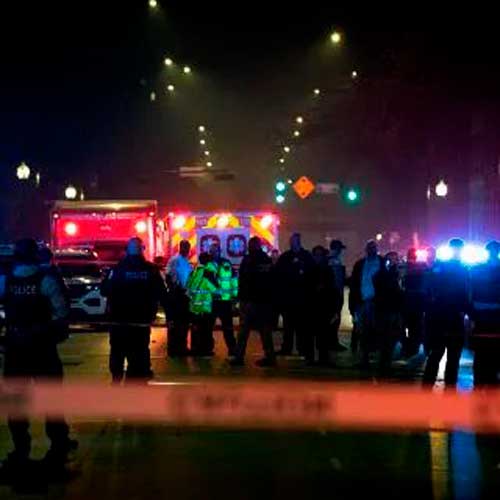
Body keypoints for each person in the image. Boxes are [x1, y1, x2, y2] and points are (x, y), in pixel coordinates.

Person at [0, 239, 77, 476]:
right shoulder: (46, 280)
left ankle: (20, 451)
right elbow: (61, 312)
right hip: (42, 348)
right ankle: (58, 448)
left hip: (15, 349)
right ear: (36, 256)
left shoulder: (6, 281)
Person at [101, 237, 169, 384]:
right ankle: (136, 380)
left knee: (117, 350)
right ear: (142, 250)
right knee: (139, 351)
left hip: (119, 320)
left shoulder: (117, 269)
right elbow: (162, 293)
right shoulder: (151, 270)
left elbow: (104, 290)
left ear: (127, 251)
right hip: (141, 321)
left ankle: (116, 379)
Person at [422, 238, 470, 389]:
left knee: (438, 355)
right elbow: (467, 294)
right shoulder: (463, 269)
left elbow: (429, 289)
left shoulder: (441, 266)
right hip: (451, 317)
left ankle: (428, 388)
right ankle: (448, 388)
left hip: (442, 317)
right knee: (450, 357)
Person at [231, 237, 276, 367]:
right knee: (265, 331)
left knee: (244, 331)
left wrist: (239, 298)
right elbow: (271, 281)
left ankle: (239, 357)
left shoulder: (248, 260)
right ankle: (270, 357)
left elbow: (243, 281)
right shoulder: (266, 260)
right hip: (263, 301)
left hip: (249, 300)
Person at [275, 233, 315, 356]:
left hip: (301, 298)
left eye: (294, 241)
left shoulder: (305, 256)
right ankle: (288, 348)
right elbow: (278, 274)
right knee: (289, 326)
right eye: (291, 241)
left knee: (300, 326)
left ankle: (300, 348)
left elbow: (311, 275)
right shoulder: (287, 257)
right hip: (290, 298)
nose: (292, 243)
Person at [348, 240, 385, 367]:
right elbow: (354, 285)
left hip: (376, 302)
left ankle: (372, 358)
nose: (371, 250)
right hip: (363, 302)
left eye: (373, 248)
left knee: (375, 331)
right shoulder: (360, 264)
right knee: (364, 331)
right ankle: (365, 358)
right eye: (370, 248)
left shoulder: (382, 263)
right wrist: (353, 305)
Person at [469, 241, 500, 388]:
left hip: (480, 315)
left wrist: (472, 312)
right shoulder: (478, 269)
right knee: (494, 354)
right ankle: (491, 383)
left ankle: (479, 384)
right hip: (495, 317)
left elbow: (470, 291)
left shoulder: (477, 269)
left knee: (480, 354)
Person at [373, 251, 404, 375]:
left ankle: (386, 362)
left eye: (395, 259)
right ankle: (384, 363)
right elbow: (386, 289)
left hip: (393, 309)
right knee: (386, 337)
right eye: (390, 260)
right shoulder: (383, 274)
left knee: (391, 337)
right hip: (386, 309)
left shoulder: (396, 273)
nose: (393, 262)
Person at [208, 243, 237, 356]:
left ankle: (232, 349)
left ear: (219, 252)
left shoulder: (226, 263)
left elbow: (234, 280)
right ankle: (208, 348)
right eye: (211, 251)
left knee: (228, 327)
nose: (213, 253)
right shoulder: (207, 265)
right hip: (211, 301)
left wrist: (235, 297)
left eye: (215, 251)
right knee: (208, 327)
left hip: (225, 301)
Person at [186, 252, 218, 356]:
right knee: (207, 329)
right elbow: (215, 289)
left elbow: (188, 287)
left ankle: (195, 348)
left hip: (195, 306)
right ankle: (206, 350)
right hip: (206, 306)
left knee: (196, 328)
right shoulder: (208, 273)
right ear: (208, 261)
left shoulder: (194, 271)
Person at [311, 245, 337, 365]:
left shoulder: (327, 270)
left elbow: (332, 290)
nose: (318, 257)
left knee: (323, 333)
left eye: (319, 255)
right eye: (316, 255)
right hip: (315, 306)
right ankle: (320, 357)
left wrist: (333, 309)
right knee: (318, 333)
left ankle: (323, 357)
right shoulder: (313, 269)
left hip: (324, 306)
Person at [165, 240, 192, 357]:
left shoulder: (186, 261)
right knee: (176, 323)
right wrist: (174, 290)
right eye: (185, 247)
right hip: (177, 296)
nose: (187, 250)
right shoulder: (175, 260)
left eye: (188, 247)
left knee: (183, 323)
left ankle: (182, 347)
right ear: (180, 247)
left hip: (184, 295)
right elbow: (168, 276)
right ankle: (173, 348)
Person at [401, 248, 428, 358]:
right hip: (416, 301)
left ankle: (409, 347)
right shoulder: (422, 266)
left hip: (408, 300)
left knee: (408, 326)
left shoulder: (404, 267)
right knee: (415, 327)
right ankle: (413, 347)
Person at [328, 239, 347, 351]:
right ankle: (333, 342)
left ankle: (332, 341)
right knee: (334, 318)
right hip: (334, 295)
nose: (341, 252)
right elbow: (336, 280)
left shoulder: (332, 260)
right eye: (340, 249)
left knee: (335, 318)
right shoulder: (334, 261)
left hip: (335, 294)